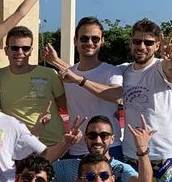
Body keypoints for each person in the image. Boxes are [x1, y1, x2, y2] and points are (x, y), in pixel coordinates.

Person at [54, 20, 172, 182]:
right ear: (130, 42)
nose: (142, 46)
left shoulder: (160, 68)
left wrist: (171, 58)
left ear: (158, 46)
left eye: (148, 43)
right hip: (131, 153)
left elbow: (171, 69)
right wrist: (57, 62)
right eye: (137, 41)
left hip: (163, 153)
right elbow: (85, 71)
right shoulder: (124, 71)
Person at [44, 17, 127, 160]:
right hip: (77, 149)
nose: (89, 43)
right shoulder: (69, 74)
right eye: (84, 38)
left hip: (109, 149)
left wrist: (80, 80)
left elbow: (116, 94)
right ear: (75, 41)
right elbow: (73, 73)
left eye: (95, 39)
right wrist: (56, 61)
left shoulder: (111, 71)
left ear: (102, 41)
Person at [52, 115, 154, 182]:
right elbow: (42, 167)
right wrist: (66, 144)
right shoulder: (71, 167)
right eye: (92, 135)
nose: (98, 140)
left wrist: (143, 149)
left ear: (112, 139)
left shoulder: (121, 169)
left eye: (104, 135)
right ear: (85, 138)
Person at [0, 26, 67, 148]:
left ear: (31, 50)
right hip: (18, 147)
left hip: (52, 145)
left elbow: (65, 106)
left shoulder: (49, 74)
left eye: (25, 48)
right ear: (6, 50)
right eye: (15, 48)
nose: (20, 52)